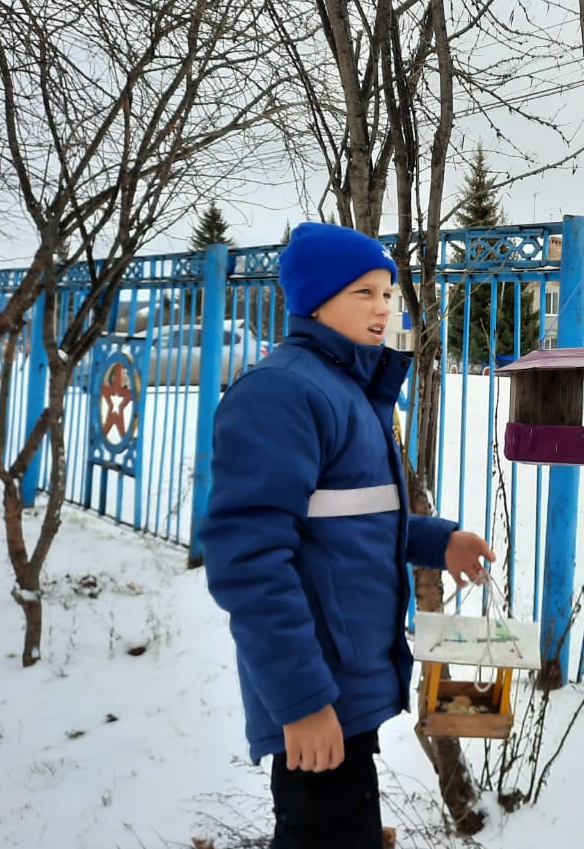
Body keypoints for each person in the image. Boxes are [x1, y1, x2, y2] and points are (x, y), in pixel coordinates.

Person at [198, 222, 494, 849]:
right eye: (363, 292)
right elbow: (247, 561)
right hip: (318, 689)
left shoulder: (348, 391)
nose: (383, 307)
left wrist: (438, 542)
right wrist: (302, 701)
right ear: (315, 298)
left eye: (387, 293)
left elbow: (349, 522)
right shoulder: (283, 392)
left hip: (347, 684)